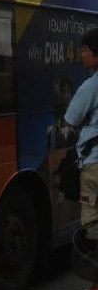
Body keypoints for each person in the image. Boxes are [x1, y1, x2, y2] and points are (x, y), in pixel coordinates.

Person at [64, 28, 98, 240]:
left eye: (85, 50)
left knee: (92, 220)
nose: (81, 55)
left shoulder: (90, 86)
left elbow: (70, 121)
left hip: (94, 164)